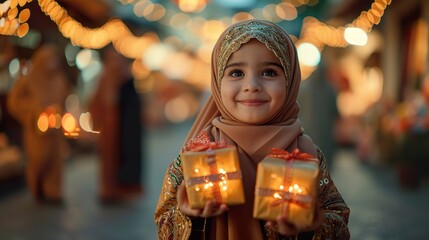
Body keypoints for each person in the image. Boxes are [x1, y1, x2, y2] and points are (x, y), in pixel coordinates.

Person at [154, 20, 350, 239]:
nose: (252, 85)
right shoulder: (199, 151)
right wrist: (191, 214)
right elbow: (164, 222)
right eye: (236, 73)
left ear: (290, 80)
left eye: (269, 72)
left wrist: (309, 224)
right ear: (218, 84)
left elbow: (337, 219)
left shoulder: (305, 152)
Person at [6, 44, 71, 204]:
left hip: (54, 130)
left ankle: (53, 192)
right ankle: (38, 190)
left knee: (55, 162)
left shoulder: (59, 79)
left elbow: (64, 100)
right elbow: (13, 102)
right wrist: (32, 111)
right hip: (36, 130)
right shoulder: (29, 79)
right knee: (38, 159)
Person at [88, 45, 143, 203]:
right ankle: (108, 191)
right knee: (108, 160)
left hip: (123, 129)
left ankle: (120, 190)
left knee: (121, 158)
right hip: (108, 129)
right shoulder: (105, 79)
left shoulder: (125, 79)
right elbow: (95, 103)